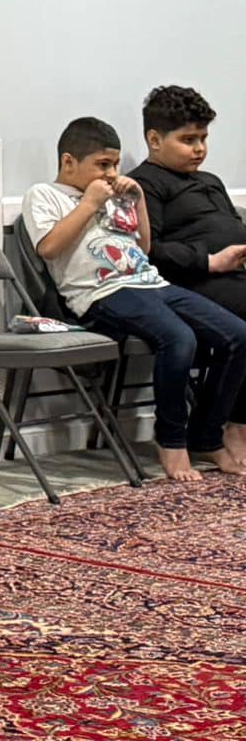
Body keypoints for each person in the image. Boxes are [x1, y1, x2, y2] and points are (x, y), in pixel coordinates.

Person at [23, 116, 246, 483]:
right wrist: (89, 203)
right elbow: (49, 248)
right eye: (102, 164)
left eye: (115, 164)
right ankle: (171, 440)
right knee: (179, 338)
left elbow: (142, 248)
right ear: (68, 162)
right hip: (101, 292)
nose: (112, 173)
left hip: (149, 282)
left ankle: (207, 435)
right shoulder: (44, 194)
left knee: (237, 335)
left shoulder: (113, 195)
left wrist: (138, 201)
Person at [130, 84, 246, 462]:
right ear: (154, 140)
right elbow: (147, 250)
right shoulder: (144, 184)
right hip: (189, 282)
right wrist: (209, 261)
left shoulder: (210, 181)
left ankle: (234, 422)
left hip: (233, 275)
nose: (199, 148)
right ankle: (221, 428)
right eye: (188, 140)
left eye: (203, 138)